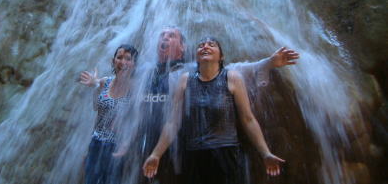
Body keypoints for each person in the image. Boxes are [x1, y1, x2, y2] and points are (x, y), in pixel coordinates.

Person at [116, 27, 298, 184]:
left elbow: (243, 76)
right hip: (179, 151)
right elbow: (170, 120)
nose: (164, 37)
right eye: (162, 34)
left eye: (171, 35)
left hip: (220, 154)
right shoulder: (150, 72)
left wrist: (268, 62)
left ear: (183, 47)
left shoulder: (198, 72)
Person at [80, 44, 139, 184]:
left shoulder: (136, 89)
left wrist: (126, 143)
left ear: (134, 64)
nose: (123, 62)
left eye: (128, 59)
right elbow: (96, 108)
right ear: (113, 61)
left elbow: (137, 119)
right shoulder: (105, 82)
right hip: (96, 142)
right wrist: (93, 84)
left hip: (117, 147)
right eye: (119, 57)